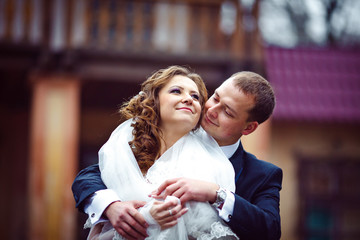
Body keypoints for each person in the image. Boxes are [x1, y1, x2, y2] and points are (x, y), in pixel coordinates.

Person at [72, 69, 283, 240]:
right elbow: (89, 177)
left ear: (248, 128)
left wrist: (215, 193)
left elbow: (269, 229)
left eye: (227, 112)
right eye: (215, 97)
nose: (211, 110)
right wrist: (111, 206)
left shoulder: (263, 175)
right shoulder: (158, 139)